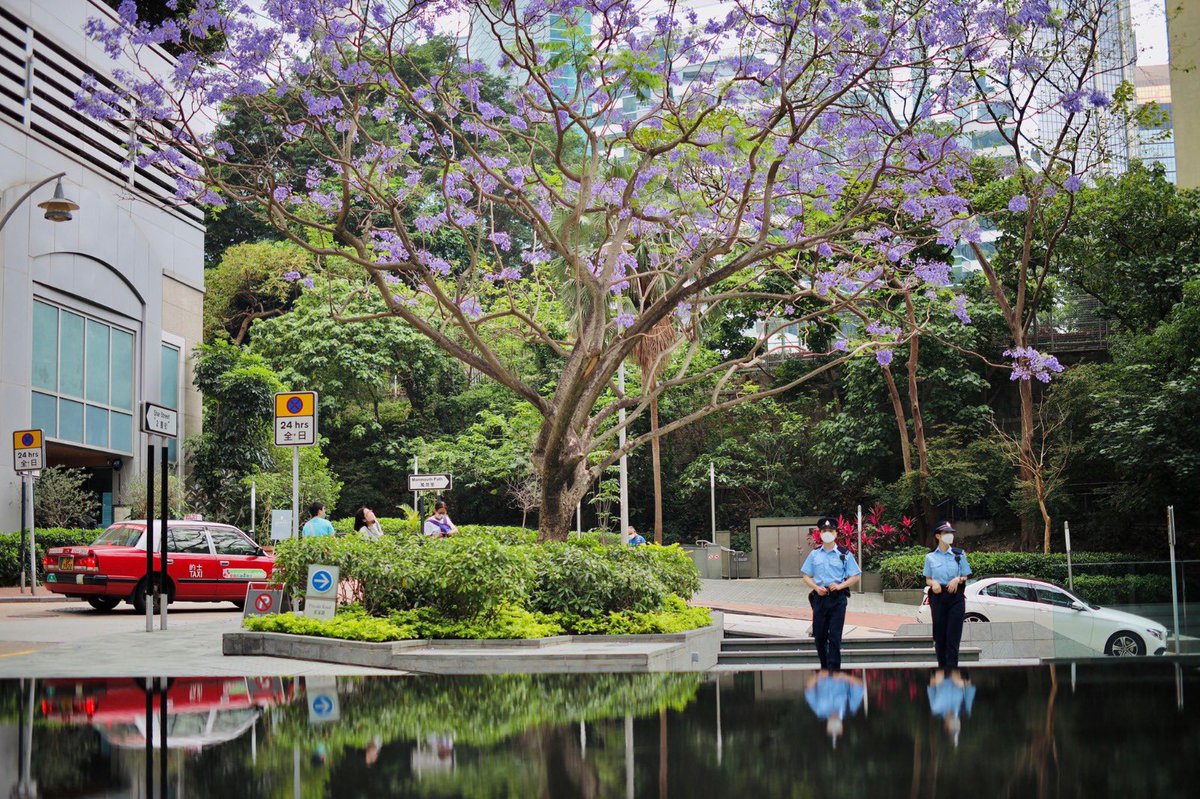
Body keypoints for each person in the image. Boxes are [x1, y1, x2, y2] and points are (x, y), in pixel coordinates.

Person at [801, 516, 862, 671]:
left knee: (835, 637)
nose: (827, 533)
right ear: (820, 534)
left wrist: (841, 586)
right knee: (819, 637)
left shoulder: (844, 553)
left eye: (830, 530)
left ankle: (834, 670)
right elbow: (806, 576)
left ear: (836, 534)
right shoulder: (814, 554)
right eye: (824, 530)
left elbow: (856, 575)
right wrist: (815, 587)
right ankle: (824, 667)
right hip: (820, 599)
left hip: (837, 599)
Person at [923, 520, 973, 670]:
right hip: (938, 597)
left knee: (954, 635)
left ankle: (952, 669)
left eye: (951, 533)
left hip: (955, 597)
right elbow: (927, 578)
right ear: (938, 536)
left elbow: (965, 575)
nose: (950, 535)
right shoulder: (930, 557)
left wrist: (957, 579)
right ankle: (942, 669)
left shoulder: (959, 554)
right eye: (946, 533)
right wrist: (934, 584)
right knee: (940, 635)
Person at [805, 670, 865, 748]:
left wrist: (818, 676)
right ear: (842, 728)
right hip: (842, 667)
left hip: (822, 667)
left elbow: (809, 688)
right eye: (837, 729)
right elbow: (859, 685)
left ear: (827, 728)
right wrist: (844, 677)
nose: (834, 726)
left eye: (831, 730)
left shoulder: (818, 710)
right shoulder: (851, 707)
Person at [928, 669, 976, 747]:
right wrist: (962, 682)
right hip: (960, 667)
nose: (956, 724)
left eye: (953, 727)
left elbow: (931, 683)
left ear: (945, 726)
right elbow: (970, 683)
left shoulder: (935, 708)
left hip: (940, 668)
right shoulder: (965, 708)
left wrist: (937, 679)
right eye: (957, 727)